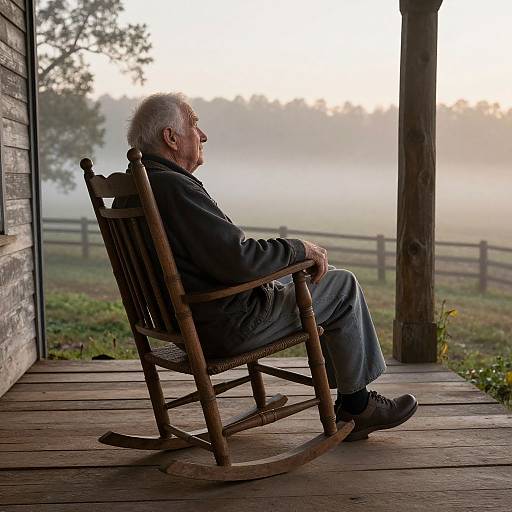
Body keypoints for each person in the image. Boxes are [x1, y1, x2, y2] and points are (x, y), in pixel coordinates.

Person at [125, 92, 418, 441]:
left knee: (315, 286)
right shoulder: (172, 187)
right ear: (170, 138)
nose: (202, 135)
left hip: (187, 324)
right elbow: (237, 260)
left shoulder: (133, 188)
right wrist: (298, 249)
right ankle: (357, 406)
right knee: (342, 286)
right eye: (194, 124)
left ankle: (354, 400)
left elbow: (217, 257)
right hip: (229, 325)